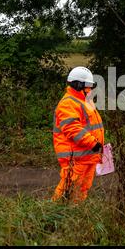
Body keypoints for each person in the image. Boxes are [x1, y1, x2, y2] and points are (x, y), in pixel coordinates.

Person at [51, 66, 104, 202]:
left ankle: (75, 214)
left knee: (82, 189)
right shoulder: (68, 103)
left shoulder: (84, 101)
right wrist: (93, 143)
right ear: (78, 85)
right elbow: (72, 128)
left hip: (88, 155)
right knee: (67, 189)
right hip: (76, 157)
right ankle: (54, 215)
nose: (90, 89)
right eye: (87, 86)